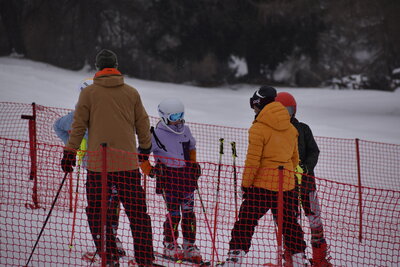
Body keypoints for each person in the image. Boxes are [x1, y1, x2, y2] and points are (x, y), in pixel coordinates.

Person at [60, 49, 155, 266]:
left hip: (98, 166)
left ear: (98, 68)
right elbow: (143, 123)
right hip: (127, 164)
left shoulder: (89, 93)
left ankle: (109, 256)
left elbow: (78, 127)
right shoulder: (131, 92)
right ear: (116, 65)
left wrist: (69, 153)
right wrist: (145, 149)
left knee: (97, 213)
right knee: (138, 214)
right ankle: (145, 259)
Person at [224, 86, 307, 267]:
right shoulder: (291, 129)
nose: (253, 111)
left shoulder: (258, 128)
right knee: (290, 225)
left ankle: (234, 259)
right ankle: (301, 260)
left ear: (258, 104)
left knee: (245, 222)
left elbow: (253, 161)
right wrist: (286, 179)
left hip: (261, 187)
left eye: (254, 107)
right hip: (285, 186)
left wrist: (245, 185)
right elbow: (294, 160)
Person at [53, 78, 126, 259]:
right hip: (93, 168)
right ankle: (104, 243)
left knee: (113, 202)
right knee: (100, 205)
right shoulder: (77, 114)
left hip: (115, 165)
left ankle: (113, 238)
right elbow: (58, 127)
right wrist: (75, 146)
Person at [140, 98, 203, 263]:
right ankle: (170, 244)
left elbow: (191, 147)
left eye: (181, 115)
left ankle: (189, 246)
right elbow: (141, 156)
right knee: (174, 214)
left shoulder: (185, 130)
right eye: (175, 117)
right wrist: (151, 171)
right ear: (165, 116)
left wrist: (193, 165)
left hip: (186, 178)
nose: (179, 120)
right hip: (169, 179)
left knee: (189, 213)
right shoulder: (155, 134)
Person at [276, 92, 331, 267]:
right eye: (282, 109)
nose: (286, 113)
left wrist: (306, 168)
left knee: (314, 219)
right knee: (291, 222)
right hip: (287, 185)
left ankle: (319, 257)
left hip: (307, 184)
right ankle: (292, 257)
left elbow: (314, 151)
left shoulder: (303, 129)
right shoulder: (276, 130)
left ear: (294, 110)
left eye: (289, 109)